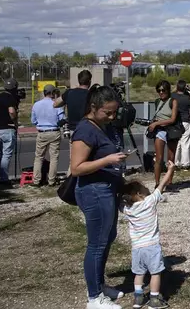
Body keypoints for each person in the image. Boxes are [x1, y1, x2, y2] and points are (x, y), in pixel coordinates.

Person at [70, 85, 126, 309]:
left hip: (106, 188)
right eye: (108, 112)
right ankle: (94, 297)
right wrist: (107, 161)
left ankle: (99, 285)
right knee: (97, 244)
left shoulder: (101, 126)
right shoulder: (85, 130)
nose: (112, 117)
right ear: (93, 108)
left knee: (107, 238)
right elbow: (76, 168)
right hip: (93, 191)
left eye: (115, 112)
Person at [120, 162, 176, 309]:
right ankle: (154, 300)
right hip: (151, 246)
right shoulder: (150, 202)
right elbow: (162, 184)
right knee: (155, 273)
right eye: (146, 189)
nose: (148, 191)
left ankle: (138, 299)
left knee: (139, 274)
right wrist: (170, 170)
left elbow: (119, 202)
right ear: (139, 194)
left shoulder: (128, 209)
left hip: (137, 248)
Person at [55, 70, 92, 177]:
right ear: (89, 81)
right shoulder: (91, 94)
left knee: (74, 159)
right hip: (87, 128)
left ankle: (70, 180)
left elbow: (56, 104)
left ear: (78, 80)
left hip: (73, 129)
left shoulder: (69, 93)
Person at [30, 84, 65, 187]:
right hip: (54, 131)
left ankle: (36, 180)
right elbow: (62, 118)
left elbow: (33, 120)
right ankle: (51, 180)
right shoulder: (56, 104)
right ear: (53, 93)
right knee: (54, 157)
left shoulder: (36, 105)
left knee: (39, 157)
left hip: (42, 132)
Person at [147, 80, 180, 187]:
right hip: (160, 131)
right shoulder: (157, 101)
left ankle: (169, 182)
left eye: (163, 90)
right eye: (159, 90)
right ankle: (157, 183)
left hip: (171, 131)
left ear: (168, 90)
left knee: (170, 158)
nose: (161, 92)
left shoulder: (173, 101)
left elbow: (172, 119)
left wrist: (157, 123)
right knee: (158, 158)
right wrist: (154, 123)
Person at [0, 78, 19, 186]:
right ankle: (4, 178)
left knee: (2, 154)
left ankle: (2, 175)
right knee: (7, 154)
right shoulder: (10, 98)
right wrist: (14, 120)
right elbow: (11, 111)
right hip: (7, 127)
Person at [172, 80, 190, 169]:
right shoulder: (186, 98)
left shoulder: (173, 96)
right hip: (185, 121)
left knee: (177, 142)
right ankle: (185, 163)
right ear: (184, 88)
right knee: (185, 142)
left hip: (175, 121)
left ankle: (175, 162)